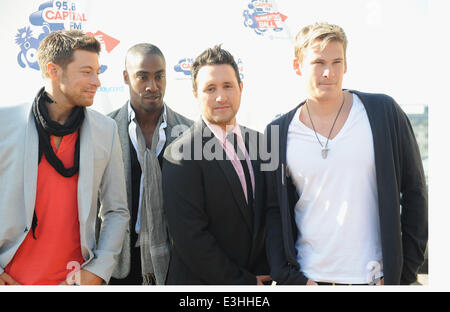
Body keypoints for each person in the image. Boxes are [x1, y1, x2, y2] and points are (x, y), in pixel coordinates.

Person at [264, 22, 428, 285]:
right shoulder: (275, 133)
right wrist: (288, 277)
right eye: (318, 62)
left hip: (375, 280)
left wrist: (404, 271)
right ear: (297, 66)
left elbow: (415, 192)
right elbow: (272, 211)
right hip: (310, 279)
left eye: (336, 61)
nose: (329, 72)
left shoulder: (384, 113)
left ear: (346, 65)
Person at [0, 30, 129, 285]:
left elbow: (116, 210)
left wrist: (99, 269)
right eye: (86, 72)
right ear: (54, 70)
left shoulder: (106, 130)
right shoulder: (5, 124)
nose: (97, 81)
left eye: (98, 72)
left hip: (74, 283)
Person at [162, 45, 271, 285]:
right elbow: (191, 238)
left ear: (241, 88)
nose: (221, 97)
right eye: (210, 89)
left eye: (228, 86)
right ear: (195, 94)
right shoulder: (180, 154)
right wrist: (244, 282)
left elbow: (268, 215)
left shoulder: (260, 142)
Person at [107, 43, 192, 285]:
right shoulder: (104, 129)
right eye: (142, 76)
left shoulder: (190, 132)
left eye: (159, 76)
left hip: (174, 263)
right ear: (126, 77)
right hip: (116, 264)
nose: (152, 86)